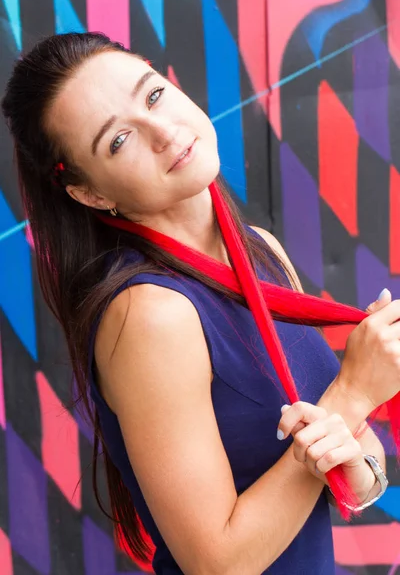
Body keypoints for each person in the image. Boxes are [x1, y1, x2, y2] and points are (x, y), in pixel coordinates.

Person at [2, 32, 398, 575]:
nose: (164, 133)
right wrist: (354, 391)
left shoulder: (260, 250)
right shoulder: (148, 314)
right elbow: (217, 565)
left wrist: (355, 462)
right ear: (90, 193)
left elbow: (357, 478)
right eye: (119, 141)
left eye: (154, 95)